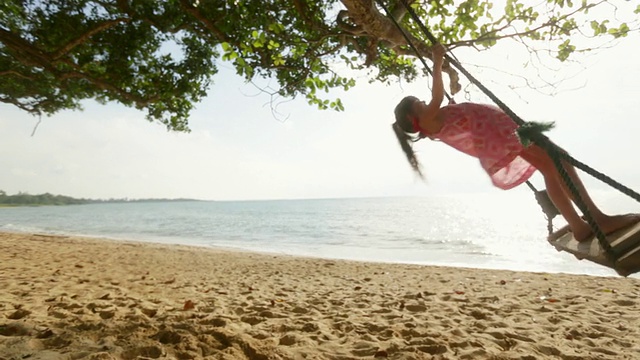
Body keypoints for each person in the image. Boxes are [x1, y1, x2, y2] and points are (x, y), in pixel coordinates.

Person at [392, 43, 639, 242]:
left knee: (552, 167)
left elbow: (456, 120)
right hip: (505, 136)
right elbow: (437, 94)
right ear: (412, 117)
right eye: (419, 103)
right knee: (558, 159)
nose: (425, 102)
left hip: (503, 135)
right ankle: (597, 220)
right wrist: (437, 60)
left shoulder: (432, 124)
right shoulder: (428, 119)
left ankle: (579, 226)